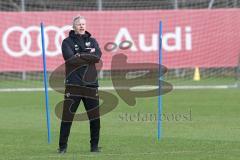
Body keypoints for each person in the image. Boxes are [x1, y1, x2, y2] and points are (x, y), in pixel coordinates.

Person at [58, 15, 102, 154]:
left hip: (91, 85)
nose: (82, 26)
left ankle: (94, 147)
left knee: (95, 118)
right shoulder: (67, 42)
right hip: (73, 85)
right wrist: (87, 55)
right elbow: (71, 59)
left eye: (83, 24)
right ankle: (63, 147)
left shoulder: (93, 41)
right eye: (79, 24)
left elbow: (97, 57)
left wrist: (80, 55)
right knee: (67, 117)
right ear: (74, 26)